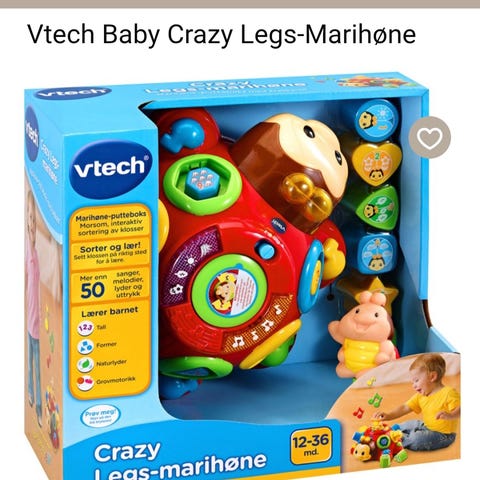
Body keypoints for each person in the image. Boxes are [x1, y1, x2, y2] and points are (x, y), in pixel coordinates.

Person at [374, 353, 460, 451]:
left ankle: (397, 439)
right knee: (411, 423)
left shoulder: (448, 393)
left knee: (417, 439)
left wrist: (451, 415)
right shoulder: (421, 396)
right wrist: (388, 415)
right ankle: (393, 430)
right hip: (427, 426)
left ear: (432, 376)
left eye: (416, 380)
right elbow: (405, 407)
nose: (413, 385)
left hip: (444, 435)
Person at [26, 190, 42, 427]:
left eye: (33, 219)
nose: (31, 224)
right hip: (30, 318)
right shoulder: (28, 251)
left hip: (37, 321)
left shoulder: (37, 251)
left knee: (37, 363)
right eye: (29, 218)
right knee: (31, 362)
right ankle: (31, 393)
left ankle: (38, 405)